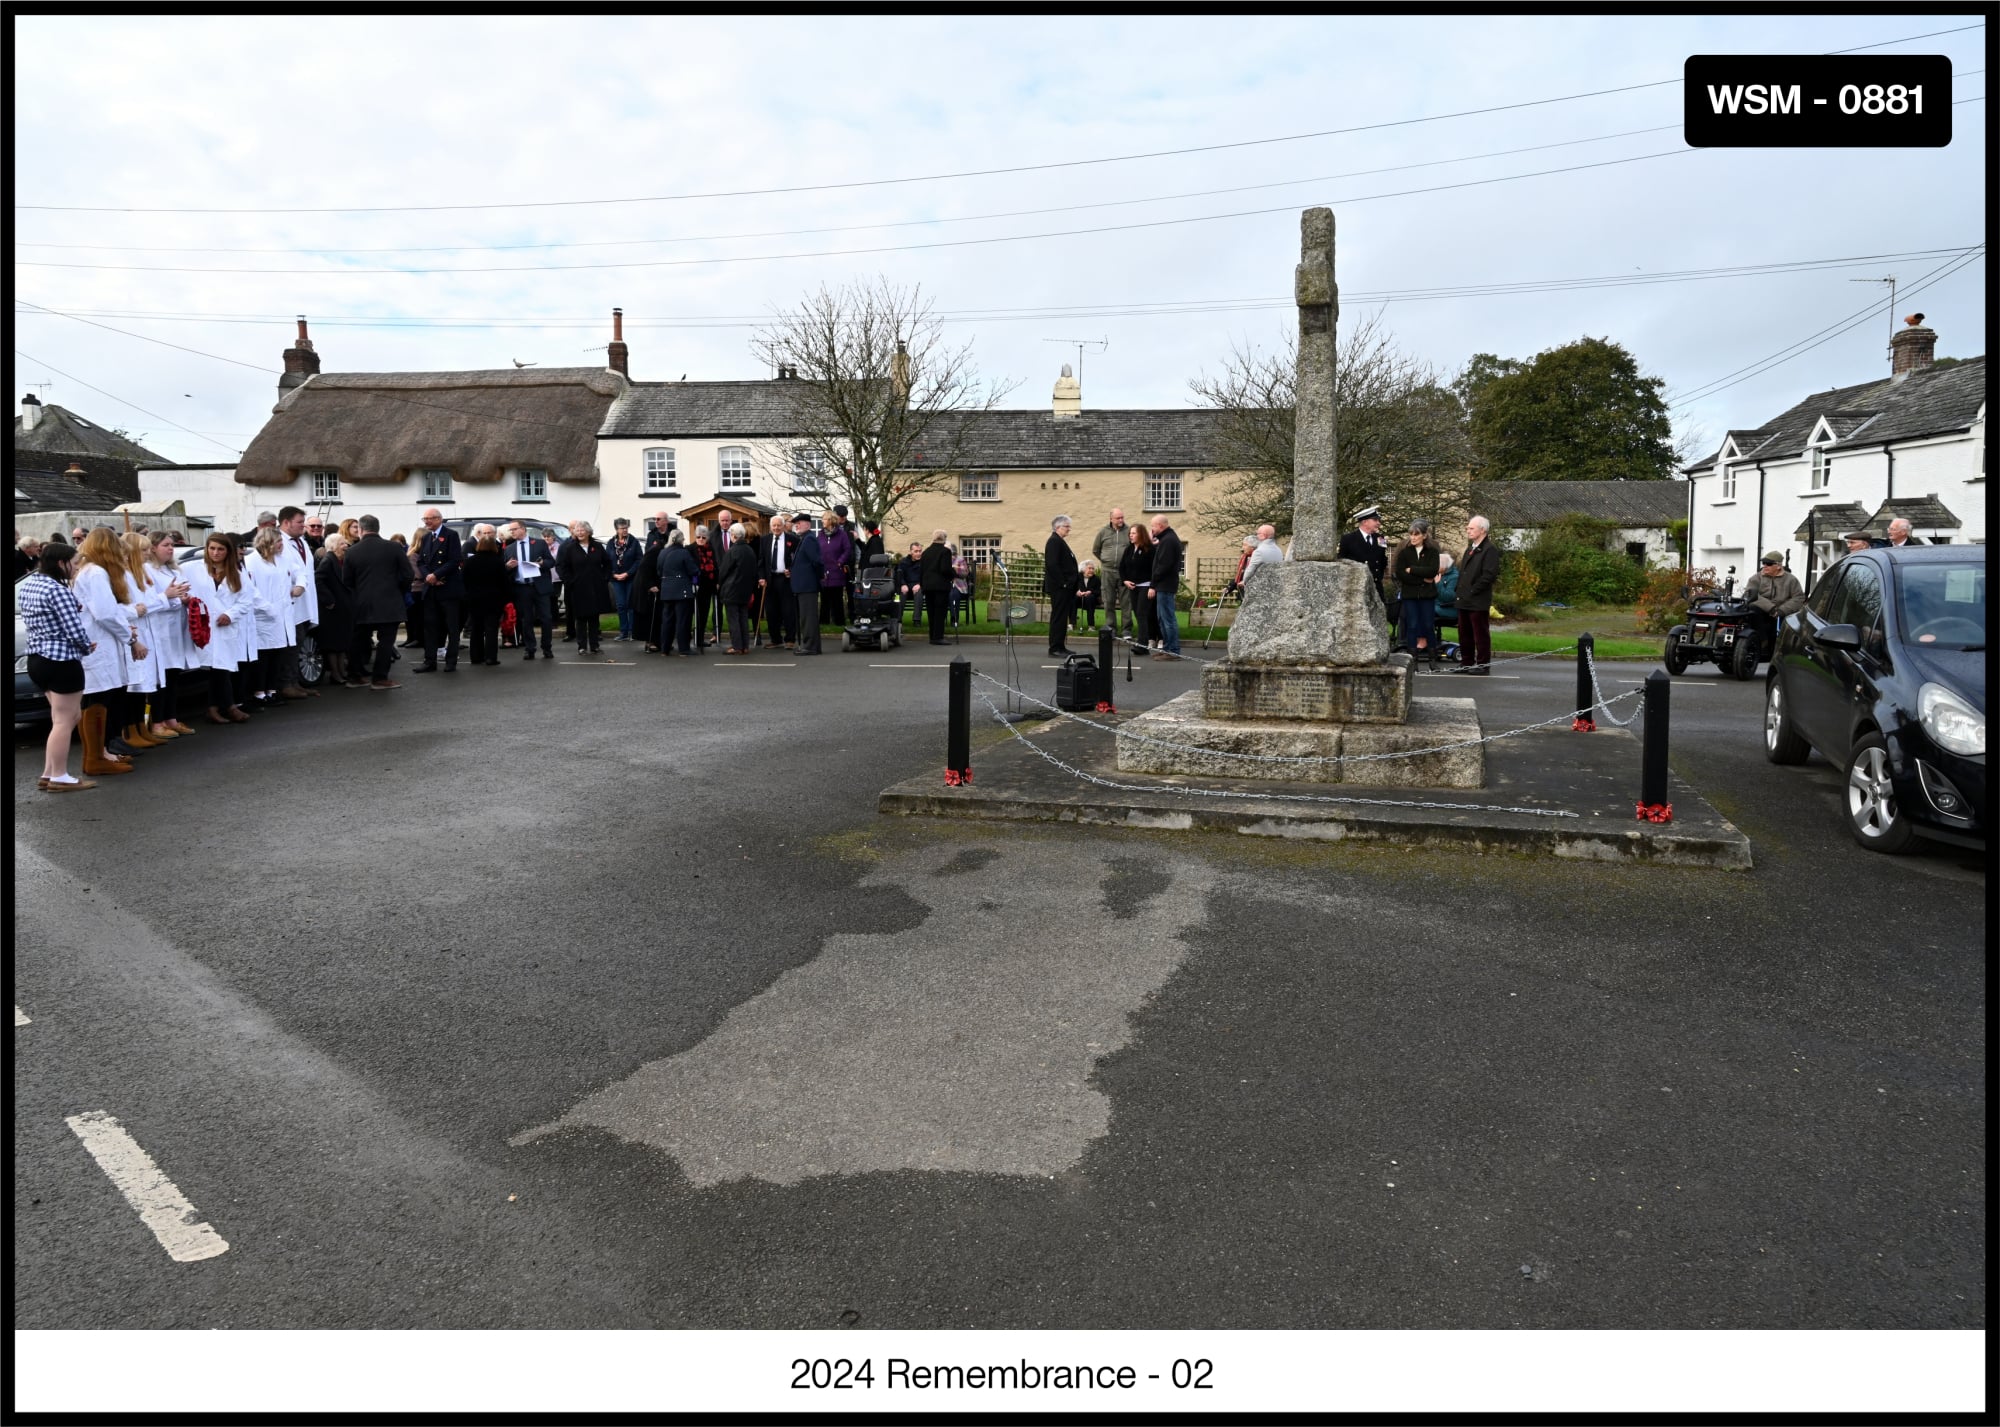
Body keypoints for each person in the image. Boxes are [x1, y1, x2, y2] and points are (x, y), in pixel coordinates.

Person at [21, 543, 100, 790]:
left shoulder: (30, 584)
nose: (76, 568)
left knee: (61, 717)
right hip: (61, 660)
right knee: (66, 720)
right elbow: (74, 629)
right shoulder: (58, 590)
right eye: (74, 563)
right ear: (60, 563)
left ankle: (49, 773)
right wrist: (87, 646)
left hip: (36, 658)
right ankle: (59, 776)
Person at [71, 528, 145, 766]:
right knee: (97, 700)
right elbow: (105, 614)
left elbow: (109, 612)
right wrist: (131, 638)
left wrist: (125, 627)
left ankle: (101, 753)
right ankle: (98, 756)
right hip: (99, 646)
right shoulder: (95, 573)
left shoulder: (91, 571)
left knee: (102, 699)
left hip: (102, 643)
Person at [184, 532, 257, 719]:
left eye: (220, 549)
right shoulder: (192, 568)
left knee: (222, 667)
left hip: (224, 626)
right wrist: (186, 601)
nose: (216, 553)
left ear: (228, 551)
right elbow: (181, 590)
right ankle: (223, 707)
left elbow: (247, 600)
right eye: (212, 548)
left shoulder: (236, 573)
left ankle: (219, 707)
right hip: (202, 625)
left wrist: (230, 614)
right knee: (213, 668)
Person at [126, 531, 189, 742]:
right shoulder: (142, 572)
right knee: (152, 682)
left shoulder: (165, 570)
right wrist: (169, 597)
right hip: (152, 630)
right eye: (166, 545)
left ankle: (167, 719)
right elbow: (143, 606)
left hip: (167, 630)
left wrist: (179, 598)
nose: (170, 549)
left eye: (172, 545)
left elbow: (156, 601)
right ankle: (154, 723)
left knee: (170, 676)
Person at [342, 515, 414, 690]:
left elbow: (347, 580)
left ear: (360, 529)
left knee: (358, 641)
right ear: (378, 528)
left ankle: (354, 676)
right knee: (386, 642)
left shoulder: (352, 551)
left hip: (362, 603)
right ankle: (380, 678)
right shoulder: (394, 548)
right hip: (389, 601)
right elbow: (408, 575)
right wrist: (398, 590)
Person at [245, 527, 297, 707]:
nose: (282, 545)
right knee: (263, 657)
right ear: (267, 542)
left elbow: (297, 575)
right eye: (278, 542)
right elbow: (251, 591)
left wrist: (299, 586)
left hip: (281, 617)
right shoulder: (251, 562)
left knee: (277, 655)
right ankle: (260, 692)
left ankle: (272, 690)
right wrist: (269, 609)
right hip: (263, 617)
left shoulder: (282, 560)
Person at [275, 506, 319, 699]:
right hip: (289, 603)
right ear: (286, 522)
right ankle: (286, 684)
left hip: (304, 602)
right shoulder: (278, 543)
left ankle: (295, 682)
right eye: (300, 522)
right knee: (290, 646)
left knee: (299, 643)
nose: (304, 526)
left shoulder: (300, 542)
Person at [1391, 518, 1443, 670]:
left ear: (1424, 535)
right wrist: (1421, 579)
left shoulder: (1432, 552)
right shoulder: (1404, 553)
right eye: (1411, 534)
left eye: (1416, 534)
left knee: (1428, 625)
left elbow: (1432, 570)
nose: (1413, 537)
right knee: (1412, 626)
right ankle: (1413, 662)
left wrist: (1412, 570)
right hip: (1410, 595)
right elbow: (1400, 573)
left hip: (1427, 596)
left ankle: (1432, 661)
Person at [503, 520, 556, 659]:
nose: (512, 532)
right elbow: (504, 571)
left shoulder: (539, 543)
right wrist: (508, 566)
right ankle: (529, 648)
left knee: (546, 618)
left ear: (522, 529)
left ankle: (547, 647)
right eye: (510, 530)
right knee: (526, 620)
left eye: (514, 529)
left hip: (539, 586)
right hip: (521, 588)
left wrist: (542, 563)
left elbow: (551, 562)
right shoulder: (509, 548)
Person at [556, 520, 611, 654]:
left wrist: (604, 578)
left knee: (593, 618)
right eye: (577, 531)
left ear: (588, 532)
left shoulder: (597, 546)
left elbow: (608, 563)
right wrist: (570, 581)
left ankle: (594, 645)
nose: (580, 533)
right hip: (578, 588)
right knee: (580, 618)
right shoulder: (570, 548)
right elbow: (562, 567)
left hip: (595, 588)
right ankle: (581, 646)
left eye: (582, 530)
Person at [457, 525, 509, 666]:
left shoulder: (470, 562)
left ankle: (476, 656)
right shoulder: (498, 562)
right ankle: (491, 657)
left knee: (476, 628)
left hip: (474, 599)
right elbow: (504, 583)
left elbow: (464, 580)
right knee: (491, 629)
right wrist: (504, 600)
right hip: (493, 600)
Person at [1456, 515, 1500, 675]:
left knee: (1480, 633)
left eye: (1471, 528)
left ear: (1483, 530)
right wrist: (1459, 591)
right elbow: (1463, 572)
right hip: (1463, 599)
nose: (1468, 530)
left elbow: (1489, 575)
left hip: (1478, 600)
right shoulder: (1470, 548)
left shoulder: (1489, 550)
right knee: (1464, 632)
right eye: (1468, 528)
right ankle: (1466, 662)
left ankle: (1483, 664)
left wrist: (1472, 591)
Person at [313, 533, 357, 686]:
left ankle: (341, 671)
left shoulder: (340, 561)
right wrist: (328, 600)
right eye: (342, 544)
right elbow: (318, 579)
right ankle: (335, 673)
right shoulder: (328, 560)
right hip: (332, 609)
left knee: (341, 642)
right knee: (333, 643)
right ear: (334, 546)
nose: (346, 546)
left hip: (342, 608)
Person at [717, 519, 766, 654]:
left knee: (733, 619)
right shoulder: (749, 550)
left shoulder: (733, 551)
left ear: (733, 535)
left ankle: (737, 646)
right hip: (746, 589)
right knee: (743, 618)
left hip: (732, 589)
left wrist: (720, 583)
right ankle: (744, 646)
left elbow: (723, 571)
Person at [1743, 551, 1805, 651]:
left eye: (1769, 564)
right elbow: (1750, 594)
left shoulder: (1791, 580)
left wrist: (1781, 610)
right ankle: (1762, 641)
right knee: (1752, 609)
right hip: (1762, 611)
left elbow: (1798, 598)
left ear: (1778, 566)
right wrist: (1770, 608)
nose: (1765, 566)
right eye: (1763, 563)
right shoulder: (1756, 578)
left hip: (1782, 612)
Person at [1042, 516, 1081, 656]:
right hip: (1059, 588)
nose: (1069, 529)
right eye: (1066, 526)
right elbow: (1052, 564)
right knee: (1058, 617)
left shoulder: (1059, 541)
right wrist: (1063, 582)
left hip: (1064, 588)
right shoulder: (1054, 541)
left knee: (1062, 617)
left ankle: (1060, 645)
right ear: (1058, 527)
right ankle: (1055, 648)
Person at [655, 530, 697, 656]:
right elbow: (693, 570)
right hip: (682, 590)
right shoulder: (684, 553)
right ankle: (684, 649)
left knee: (667, 620)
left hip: (666, 590)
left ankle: (665, 648)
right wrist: (695, 582)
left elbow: (659, 571)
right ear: (680, 540)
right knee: (682, 621)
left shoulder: (662, 553)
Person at [789, 513, 826, 654]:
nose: (796, 525)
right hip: (803, 585)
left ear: (808, 524)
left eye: (799, 522)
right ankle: (812, 646)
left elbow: (817, 562)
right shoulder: (804, 539)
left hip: (807, 585)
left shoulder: (809, 539)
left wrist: (817, 578)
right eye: (795, 523)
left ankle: (810, 647)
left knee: (808, 618)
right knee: (806, 618)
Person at [759, 517, 799, 648]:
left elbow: (798, 559)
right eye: (774, 526)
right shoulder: (764, 540)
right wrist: (761, 577)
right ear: (771, 527)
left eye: (778, 525)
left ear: (783, 526)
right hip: (770, 580)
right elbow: (761, 561)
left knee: (788, 610)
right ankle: (775, 639)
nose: (776, 528)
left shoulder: (793, 540)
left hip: (786, 579)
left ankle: (790, 639)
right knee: (771, 611)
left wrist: (792, 570)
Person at [1148, 514, 1184, 658]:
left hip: (1165, 585)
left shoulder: (1168, 541)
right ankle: (1168, 648)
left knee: (1167, 618)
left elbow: (1163, 565)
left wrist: (1153, 584)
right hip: (1164, 585)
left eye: (1153, 526)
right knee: (1162, 618)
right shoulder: (1166, 539)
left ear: (1160, 526)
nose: (1152, 529)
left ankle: (1173, 650)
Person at [1339, 505, 1390, 604]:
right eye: (1375, 520)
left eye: (1378, 520)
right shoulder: (1348, 539)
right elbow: (1342, 561)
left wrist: (1379, 576)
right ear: (1364, 521)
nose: (1378, 523)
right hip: (1357, 587)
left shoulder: (1381, 538)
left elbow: (1383, 560)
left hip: (1376, 586)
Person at [1093, 508, 1130, 637]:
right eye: (1118, 518)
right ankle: (1111, 628)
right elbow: (1096, 550)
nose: (1121, 520)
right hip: (1107, 571)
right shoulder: (1103, 532)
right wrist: (1105, 560)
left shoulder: (1129, 531)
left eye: (1122, 517)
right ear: (1111, 519)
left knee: (1126, 602)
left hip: (1124, 572)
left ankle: (1126, 630)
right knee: (1108, 601)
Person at [606, 517, 644, 641]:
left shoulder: (634, 542)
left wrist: (628, 573)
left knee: (630, 605)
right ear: (617, 529)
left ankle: (633, 631)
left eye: (626, 527)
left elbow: (639, 559)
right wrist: (613, 574)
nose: (625, 530)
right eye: (622, 528)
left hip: (631, 578)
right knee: (621, 605)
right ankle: (623, 632)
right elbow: (607, 561)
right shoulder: (611, 543)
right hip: (616, 579)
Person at [1121, 522, 1155, 648]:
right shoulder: (1129, 549)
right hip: (1133, 586)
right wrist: (1125, 580)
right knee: (1137, 613)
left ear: (1141, 534)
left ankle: (1142, 643)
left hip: (1145, 585)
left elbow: (1155, 569)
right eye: (1130, 533)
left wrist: (1153, 586)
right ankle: (1142, 640)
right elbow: (1122, 567)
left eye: (1134, 533)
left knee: (1142, 612)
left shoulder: (1150, 549)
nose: (1131, 535)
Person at [818, 507, 854, 627]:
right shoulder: (820, 534)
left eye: (824, 519)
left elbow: (847, 549)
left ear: (830, 520)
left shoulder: (842, 534)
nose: (822, 521)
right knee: (824, 597)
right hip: (824, 569)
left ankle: (839, 622)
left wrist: (840, 562)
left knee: (837, 598)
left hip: (836, 569)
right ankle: (824, 622)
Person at [919, 529, 954, 645]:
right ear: (944, 539)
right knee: (940, 611)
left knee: (931, 611)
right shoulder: (945, 552)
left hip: (928, 586)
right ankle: (938, 636)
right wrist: (954, 574)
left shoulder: (925, 552)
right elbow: (945, 569)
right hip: (940, 586)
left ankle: (932, 636)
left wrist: (922, 585)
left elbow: (921, 571)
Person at [688, 527, 720, 651]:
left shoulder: (711, 549)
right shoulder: (690, 549)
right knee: (692, 613)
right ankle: (689, 637)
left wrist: (717, 581)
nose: (701, 539)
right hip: (695, 585)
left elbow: (715, 566)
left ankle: (700, 639)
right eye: (698, 537)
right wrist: (693, 582)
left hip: (708, 585)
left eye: (703, 537)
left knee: (704, 613)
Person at [1434, 549, 1460, 658]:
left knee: (1425, 611)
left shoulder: (1454, 577)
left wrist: (1438, 584)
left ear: (1445, 566)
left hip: (1449, 609)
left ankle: (1425, 640)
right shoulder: (1438, 573)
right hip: (1436, 606)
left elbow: (1448, 597)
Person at [895, 543, 924, 628]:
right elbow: (899, 575)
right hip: (906, 586)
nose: (918, 553)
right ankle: (898, 620)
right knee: (901, 593)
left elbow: (926, 576)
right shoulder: (903, 562)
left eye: (920, 551)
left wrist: (920, 584)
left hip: (918, 586)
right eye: (916, 551)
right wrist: (903, 584)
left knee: (919, 593)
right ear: (911, 552)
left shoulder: (924, 562)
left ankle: (917, 620)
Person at [949, 547, 972, 627]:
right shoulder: (942, 559)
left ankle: (954, 619)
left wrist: (956, 570)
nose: (952, 556)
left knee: (953, 594)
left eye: (953, 554)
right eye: (950, 554)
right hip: (945, 585)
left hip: (959, 585)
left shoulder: (960, 559)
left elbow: (965, 574)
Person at [1076, 560, 1101, 631]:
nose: (1092, 570)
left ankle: (1091, 626)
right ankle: (1071, 624)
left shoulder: (1096, 579)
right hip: (1079, 599)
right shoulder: (1078, 577)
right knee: (1073, 598)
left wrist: (1090, 591)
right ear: (1083, 569)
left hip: (1091, 600)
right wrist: (1077, 591)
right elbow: (1073, 587)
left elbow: (1099, 591)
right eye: (1089, 568)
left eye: (1093, 569)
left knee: (1090, 598)